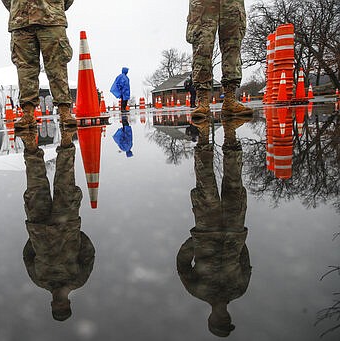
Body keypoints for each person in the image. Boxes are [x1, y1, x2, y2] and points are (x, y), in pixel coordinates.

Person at [177, 115, 253, 337]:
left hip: (207, 227)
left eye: (220, 321)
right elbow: (245, 261)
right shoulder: (239, 290)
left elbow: (182, 264)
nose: (224, 318)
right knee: (234, 181)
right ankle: (230, 139)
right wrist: (238, 239)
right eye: (226, 321)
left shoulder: (197, 291)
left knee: (205, 182)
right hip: (233, 227)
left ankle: (203, 139)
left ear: (211, 318)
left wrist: (197, 241)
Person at [18, 127, 95, 321]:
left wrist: (36, 237)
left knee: (35, 183)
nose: (59, 303)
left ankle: (30, 143)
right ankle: (67, 139)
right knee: (65, 180)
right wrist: (74, 233)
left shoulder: (39, 280)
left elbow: (28, 256)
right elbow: (88, 253)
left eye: (56, 306)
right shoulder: (78, 280)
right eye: (63, 305)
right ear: (68, 303)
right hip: (67, 222)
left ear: (52, 304)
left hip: (38, 224)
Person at [1, 0, 76, 130]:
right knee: (25, 69)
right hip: (21, 20)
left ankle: (65, 110)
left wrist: (54, 6)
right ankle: (28, 113)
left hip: (51, 18)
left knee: (57, 65)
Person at [186, 0, 253, 119]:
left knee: (233, 46)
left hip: (231, 4)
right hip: (203, 4)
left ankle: (230, 99)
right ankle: (203, 101)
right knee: (202, 46)